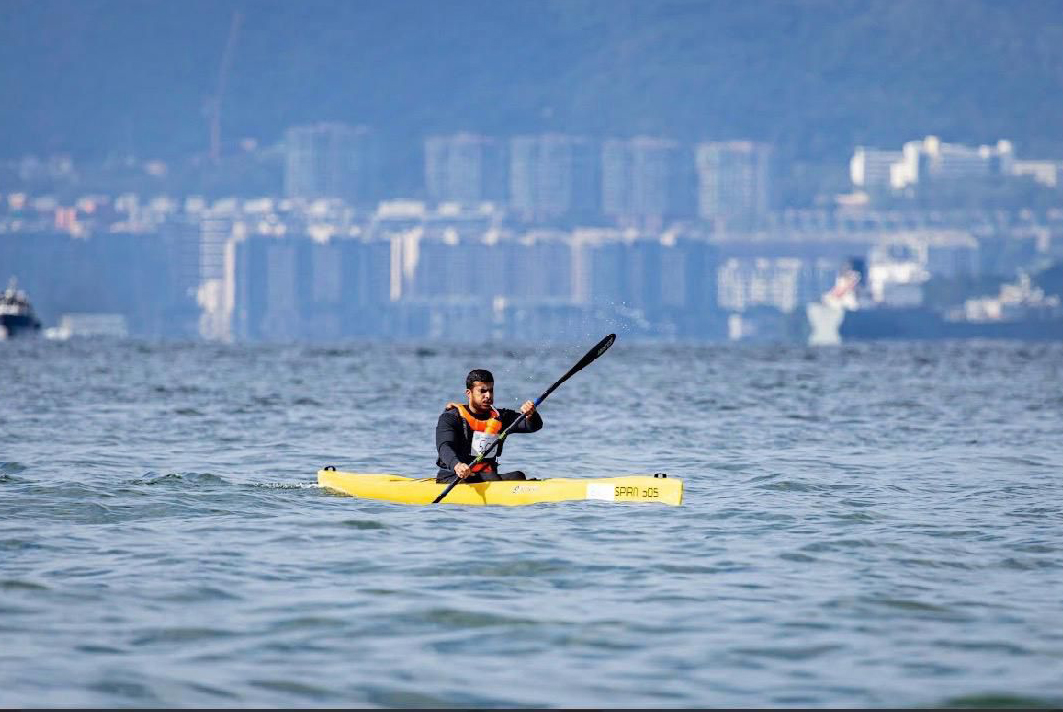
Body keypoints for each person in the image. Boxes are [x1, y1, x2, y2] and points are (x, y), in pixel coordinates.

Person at [435, 368, 542, 484]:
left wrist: (531, 414)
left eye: (491, 391)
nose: (488, 395)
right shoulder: (451, 417)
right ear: (469, 393)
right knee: (497, 477)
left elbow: (532, 426)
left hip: (487, 476)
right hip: (453, 478)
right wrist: (457, 465)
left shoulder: (501, 417)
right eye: (483, 391)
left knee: (518, 475)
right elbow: (444, 447)